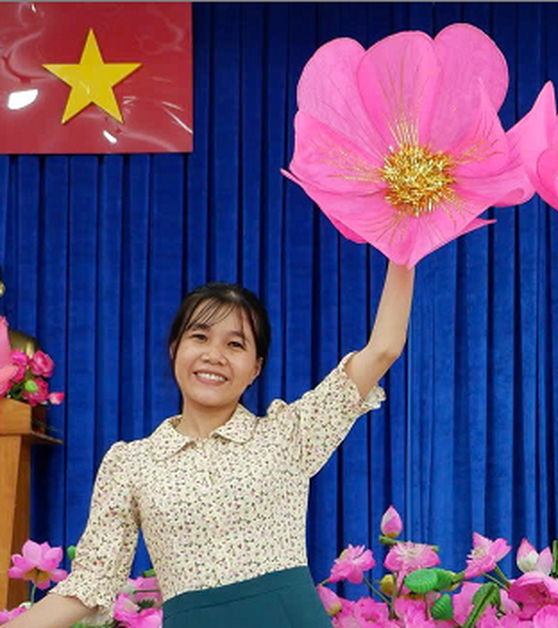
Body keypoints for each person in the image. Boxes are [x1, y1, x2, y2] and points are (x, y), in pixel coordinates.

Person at [9, 263, 414, 628]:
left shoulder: (288, 435)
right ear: (175, 349)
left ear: (255, 368)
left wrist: (405, 251)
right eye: (200, 337)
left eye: (235, 345)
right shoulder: (131, 464)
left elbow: (384, 349)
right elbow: (90, 583)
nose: (214, 355)